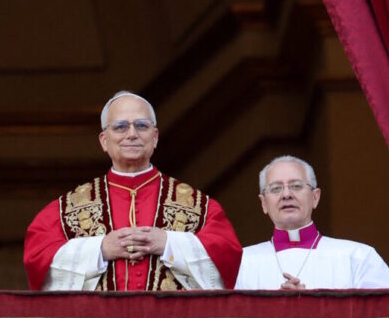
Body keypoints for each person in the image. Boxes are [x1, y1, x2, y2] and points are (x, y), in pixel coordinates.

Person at [24, 91, 242, 291]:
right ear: (104, 141)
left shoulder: (200, 206)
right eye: (120, 127)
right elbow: (37, 257)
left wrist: (169, 244)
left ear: (155, 137)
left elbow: (228, 254)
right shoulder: (65, 209)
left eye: (141, 126)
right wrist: (99, 249)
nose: (132, 134)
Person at [235, 155, 389, 290]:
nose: (286, 194)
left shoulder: (358, 257)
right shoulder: (240, 264)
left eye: (296, 186)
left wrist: (313, 308)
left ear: (315, 197)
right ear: (264, 203)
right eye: (276, 188)